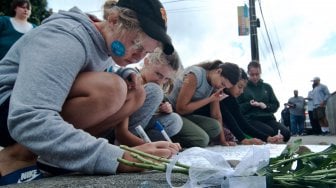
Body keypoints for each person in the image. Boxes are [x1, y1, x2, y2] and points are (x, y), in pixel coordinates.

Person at [0, 0, 180, 186]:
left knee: (136, 93)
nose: (138, 56)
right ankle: (18, 156)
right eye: (136, 43)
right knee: (112, 90)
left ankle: (54, 156)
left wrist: (124, 73)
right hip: (10, 109)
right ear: (112, 20)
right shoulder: (66, 38)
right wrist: (117, 157)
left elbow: (81, 72)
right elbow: (27, 117)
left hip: (26, 111)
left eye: (146, 52)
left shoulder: (105, 44)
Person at [195, 68, 282, 144]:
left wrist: (267, 138)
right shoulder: (220, 95)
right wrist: (243, 139)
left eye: (243, 88)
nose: (242, 91)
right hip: (199, 121)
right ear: (231, 83)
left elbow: (242, 123)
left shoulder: (231, 99)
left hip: (211, 125)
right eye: (240, 87)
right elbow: (228, 119)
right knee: (223, 133)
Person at [115, 47, 183, 145]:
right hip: (118, 129)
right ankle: (130, 144)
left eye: (166, 79)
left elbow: (143, 114)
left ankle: (141, 142)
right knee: (155, 91)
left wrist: (162, 110)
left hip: (137, 130)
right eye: (158, 74)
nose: (161, 81)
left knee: (175, 121)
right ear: (147, 62)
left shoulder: (155, 86)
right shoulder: (132, 77)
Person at [167, 60, 241, 147]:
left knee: (215, 127)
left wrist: (223, 141)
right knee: (202, 139)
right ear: (218, 71)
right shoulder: (195, 75)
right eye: (222, 83)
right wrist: (209, 99)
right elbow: (181, 109)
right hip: (171, 111)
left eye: (225, 87)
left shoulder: (215, 85)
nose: (222, 87)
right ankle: (172, 140)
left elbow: (216, 114)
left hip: (186, 116)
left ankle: (190, 135)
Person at [237, 61, 291, 142]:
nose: (255, 77)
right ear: (248, 73)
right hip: (251, 119)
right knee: (269, 132)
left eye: (257, 74)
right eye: (252, 75)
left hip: (268, 118)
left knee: (286, 134)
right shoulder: (243, 87)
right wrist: (249, 104)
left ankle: (273, 141)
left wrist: (265, 106)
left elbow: (275, 105)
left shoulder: (267, 87)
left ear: (260, 72)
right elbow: (237, 108)